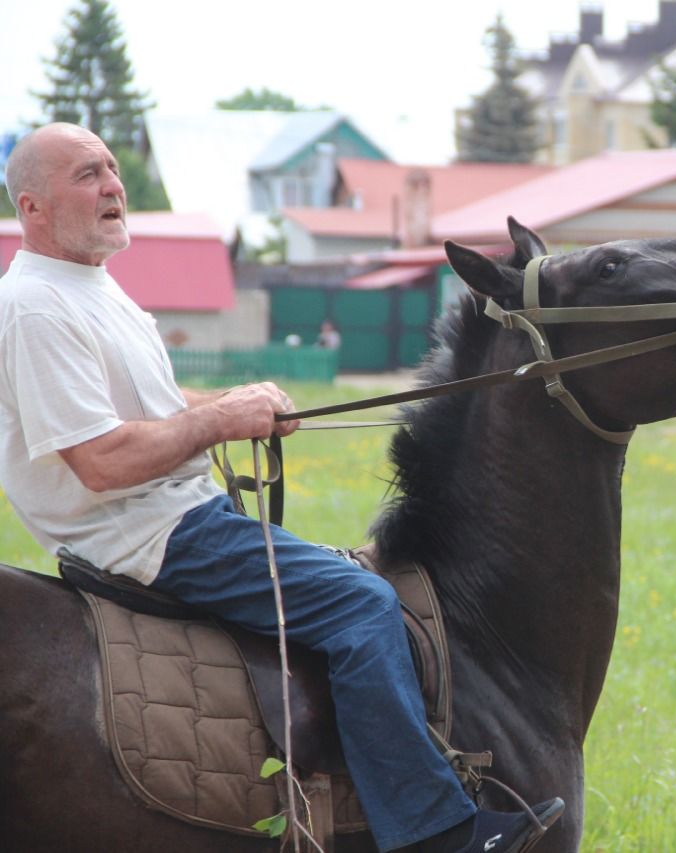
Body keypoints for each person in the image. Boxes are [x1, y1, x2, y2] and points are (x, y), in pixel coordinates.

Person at [0, 123, 561, 853]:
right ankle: (437, 833)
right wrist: (222, 420)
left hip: (175, 513)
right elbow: (100, 460)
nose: (113, 185)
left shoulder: (90, 286)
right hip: (148, 534)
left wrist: (232, 403)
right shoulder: (38, 306)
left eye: (111, 168)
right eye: (87, 175)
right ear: (33, 209)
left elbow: (151, 413)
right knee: (364, 604)